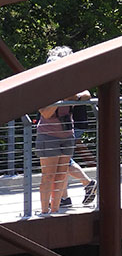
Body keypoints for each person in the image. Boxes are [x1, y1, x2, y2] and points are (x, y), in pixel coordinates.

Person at [35, 46, 92, 216]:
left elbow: (87, 94)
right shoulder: (45, 87)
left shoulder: (71, 85)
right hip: (48, 134)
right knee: (48, 176)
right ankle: (45, 211)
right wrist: (62, 98)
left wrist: (75, 96)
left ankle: (55, 209)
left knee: (60, 176)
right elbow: (45, 112)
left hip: (67, 134)